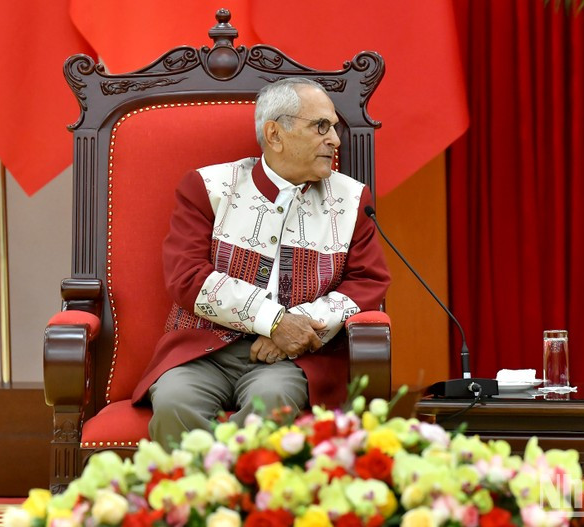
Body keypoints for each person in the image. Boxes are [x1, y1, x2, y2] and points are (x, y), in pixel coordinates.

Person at [131, 78, 391, 449]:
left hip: (290, 361)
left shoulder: (352, 201)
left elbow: (368, 282)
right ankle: (197, 505)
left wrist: (295, 332)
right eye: (321, 126)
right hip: (204, 351)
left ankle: (252, 504)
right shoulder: (208, 188)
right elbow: (187, 278)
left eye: (333, 127)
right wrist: (274, 321)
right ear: (275, 134)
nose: (335, 139)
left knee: (271, 404)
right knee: (175, 403)